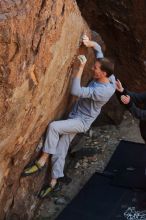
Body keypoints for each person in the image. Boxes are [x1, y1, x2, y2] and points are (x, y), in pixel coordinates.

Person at [22, 35, 116, 198]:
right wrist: (89, 43)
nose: (93, 68)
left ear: (104, 73)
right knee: (61, 148)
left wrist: (80, 68)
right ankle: (53, 182)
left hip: (81, 121)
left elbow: (76, 91)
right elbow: (98, 49)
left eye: (96, 68)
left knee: (54, 127)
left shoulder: (103, 92)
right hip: (76, 116)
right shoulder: (110, 76)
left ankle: (42, 160)